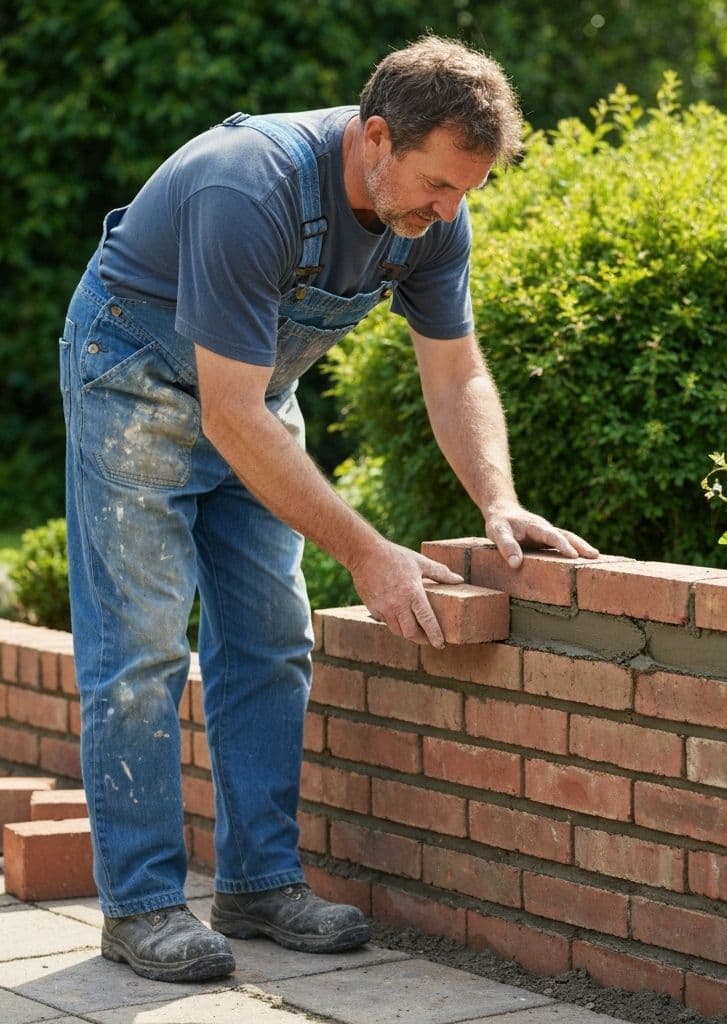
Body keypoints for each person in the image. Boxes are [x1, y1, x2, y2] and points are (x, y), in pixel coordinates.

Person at [60, 36, 598, 984]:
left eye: (466, 191)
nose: (448, 212)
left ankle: (260, 885)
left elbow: (455, 372)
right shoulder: (248, 189)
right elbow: (225, 413)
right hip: (136, 379)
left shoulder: (432, 220)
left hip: (251, 396)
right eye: (438, 184)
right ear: (376, 135)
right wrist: (368, 550)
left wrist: (501, 500)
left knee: (272, 634)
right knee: (143, 646)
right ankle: (141, 905)